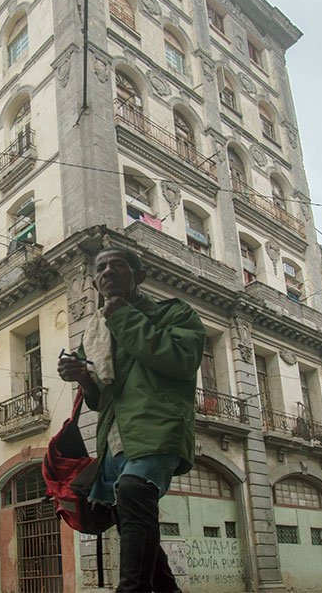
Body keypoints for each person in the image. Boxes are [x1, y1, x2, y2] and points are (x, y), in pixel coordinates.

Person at [57, 247, 205, 593]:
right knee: (130, 515)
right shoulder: (95, 332)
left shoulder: (174, 313)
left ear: (138, 276)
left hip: (157, 427)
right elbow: (99, 400)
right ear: (95, 282)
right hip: (115, 438)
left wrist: (122, 315)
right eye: (101, 267)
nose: (107, 271)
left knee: (134, 490)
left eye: (117, 265)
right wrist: (81, 376)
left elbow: (180, 360)